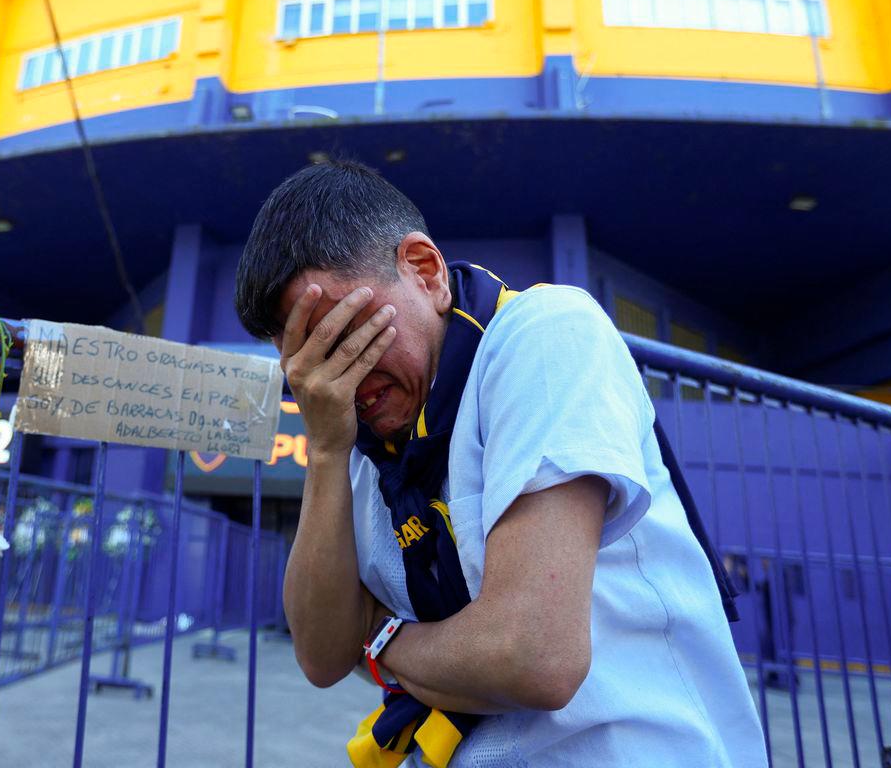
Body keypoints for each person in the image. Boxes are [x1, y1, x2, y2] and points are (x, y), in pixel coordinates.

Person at [233, 159, 767, 767]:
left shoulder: (546, 333)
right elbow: (322, 656)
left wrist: (380, 636)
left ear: (426, 272)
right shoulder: (354, 436)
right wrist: (326, 452)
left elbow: (534, 657)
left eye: (342, 335)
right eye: (306, 362)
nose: (335, 377)